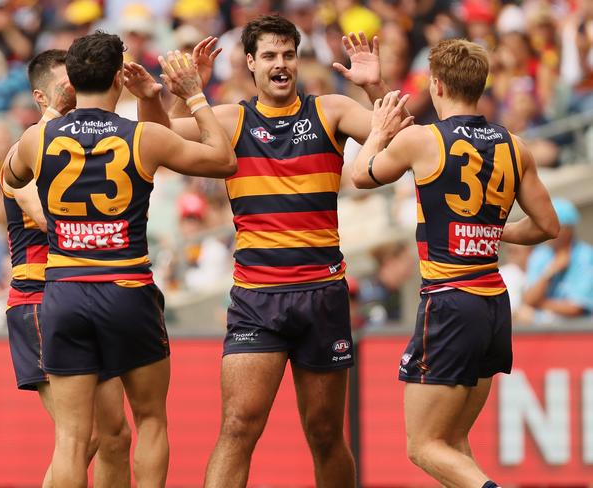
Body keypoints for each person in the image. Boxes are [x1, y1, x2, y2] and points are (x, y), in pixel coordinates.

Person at [131, 14, 412, 488]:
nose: (280, 64)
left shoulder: (333, 110)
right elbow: (156, 137)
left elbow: (406, 143)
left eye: (288, 55)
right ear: (250, 64)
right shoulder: (229, 117)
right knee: (238, 429)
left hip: (321, 295)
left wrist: (376, 85)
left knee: (325, 434)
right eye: (270, 56)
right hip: (257, 298)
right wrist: (157, 95)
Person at [3, 32, 236, 488]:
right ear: (118, 79)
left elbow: (11, 173)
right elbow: (223, 160)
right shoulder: (143, 137)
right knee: (149, 420)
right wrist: (194, 95)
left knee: (71, 438)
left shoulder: (38, 138)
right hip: (127, 289)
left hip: (64, 293)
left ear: (70, 80)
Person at [351, 38, 559, 487]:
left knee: (423, 446)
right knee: (453, 443)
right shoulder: (514, 145)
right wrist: (493, 231)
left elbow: (361, 174)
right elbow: (547, 225)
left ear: (437, 85)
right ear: (481, 87)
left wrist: (376, 134)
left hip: (449, 303)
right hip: (493, 305)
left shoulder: (421, 141)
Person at [0, 49, 132, 488]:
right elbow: (46, 217)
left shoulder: (87, 141)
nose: (77, 91)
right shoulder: (28, 148)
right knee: (83, 434)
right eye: (65, 85)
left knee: (116, 435)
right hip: (38, 298)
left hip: (82, 292)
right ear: (42, 96)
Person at [521, 198, 593, 323]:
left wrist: (539, 303)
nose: (545, 230)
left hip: (577, 332)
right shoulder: (540, 255)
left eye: (552, 225)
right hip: (542, 332)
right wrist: (550, 272)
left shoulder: (586, 256)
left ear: (569, 230)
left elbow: (577, 309)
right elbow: (529, 300)